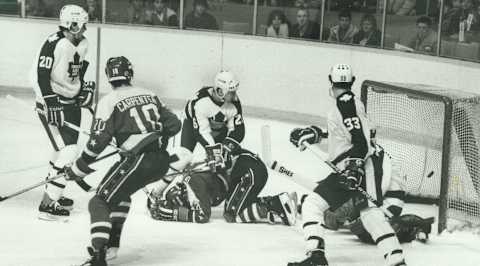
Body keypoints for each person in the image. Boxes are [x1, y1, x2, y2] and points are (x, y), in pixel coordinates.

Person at [64, 56, 182, 266]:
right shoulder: (150, 94)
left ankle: (100, 255)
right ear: (130, 73)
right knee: (120, 195)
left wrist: (79, 168)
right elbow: (174, 125)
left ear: (109, 76)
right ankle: (111, 246)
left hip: (140, 161)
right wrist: (149, 134)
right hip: (160, 161)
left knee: (98, 201)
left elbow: (97, 143)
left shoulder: (108, 102)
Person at [288, 64, 407, 266]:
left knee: (369, 215)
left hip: (364, 166)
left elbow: (360, 142)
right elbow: (344, 137)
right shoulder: (350, 103)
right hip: (356, 166)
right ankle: (316, 256)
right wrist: (314, 134)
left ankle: (396, 262)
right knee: (314, 203)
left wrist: (354, 168)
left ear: (330, 80)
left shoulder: (345, 103)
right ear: (352, 82)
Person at [32, 4, 95, 220]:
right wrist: (50, 102)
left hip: (70, 104)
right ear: (72, 24)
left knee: (63, 152)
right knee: (68, 151)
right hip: (52, 104)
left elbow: (78, 71)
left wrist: (82, 91)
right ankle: (47, 205)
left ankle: (54, 192)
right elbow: (41, 75)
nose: (85, 29)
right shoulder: (54, 43)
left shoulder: (83, 43)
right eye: (82, 25)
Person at [148, 144, 298, 226]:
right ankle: (280, 203)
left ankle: (275, 205)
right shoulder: (191, 174)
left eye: (184, 202)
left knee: (232, 215)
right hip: (248, 168)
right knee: (235, 205)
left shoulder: (192, 182)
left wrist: (169, 214)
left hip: (249, 170)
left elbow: (202, 216)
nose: (190, 204)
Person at [180, 70, 244, 153]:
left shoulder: (234, 103)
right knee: (185, 154)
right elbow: (202, 132)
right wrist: (214, 151)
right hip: (192, 124)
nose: (234, 96)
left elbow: (238, 130)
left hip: (219, 126)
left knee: (225, 156)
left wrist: (227, 146)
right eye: (231, 93)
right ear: (220, 91)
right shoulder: (200, 103)